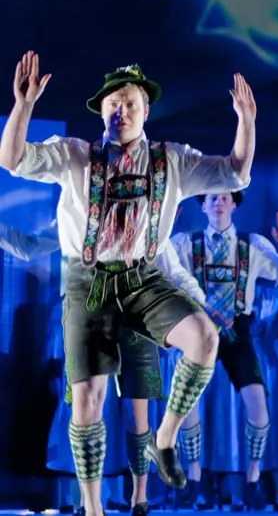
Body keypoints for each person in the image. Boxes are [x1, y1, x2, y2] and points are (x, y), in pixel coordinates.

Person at [0, 54, 255, 515]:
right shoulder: (76, 154)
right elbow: (13, 159)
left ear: (146, 110)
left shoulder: (172, 161)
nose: (121, 111)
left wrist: (245, 123)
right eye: (113, 104)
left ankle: (165, 439)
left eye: (130, 103)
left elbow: (235, 172)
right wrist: (23, 106)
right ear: (100, 110)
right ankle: (94, 508)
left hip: (143, 280)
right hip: (88, 284)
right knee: (88, 398)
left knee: (203, 340)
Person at [1, 217, 206, 516]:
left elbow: (174, 273)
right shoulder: (79, 210)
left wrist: (199, 306)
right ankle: (88, 501)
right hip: (91, 318)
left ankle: (139, 497)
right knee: (84, 409)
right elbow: (27, 245)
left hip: (137, 322)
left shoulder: (150, 216)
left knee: (139, 417)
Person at [170, 192, 278, 509]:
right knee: (187, 403)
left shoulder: (253, 245)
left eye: (225, 198)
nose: (218, 203)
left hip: (237, 332)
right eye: (212, 198)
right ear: (203, 205)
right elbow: (155, 265)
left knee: (258, 403)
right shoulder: (184, 243)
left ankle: (253, 478)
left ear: (235, 204)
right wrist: (161, 229)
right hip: (199, 329)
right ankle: (194, 477)